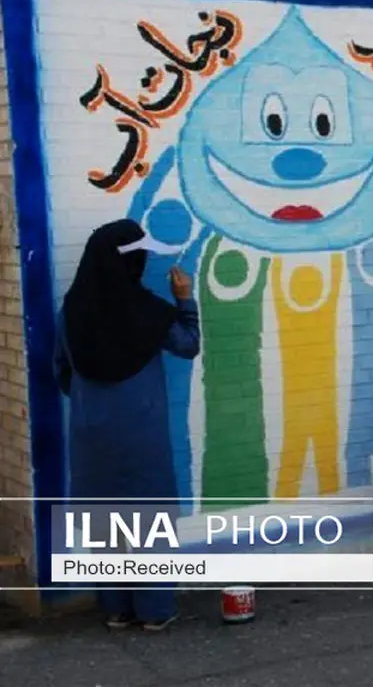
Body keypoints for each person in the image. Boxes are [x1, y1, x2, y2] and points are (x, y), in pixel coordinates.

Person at [53, 219, 200, 632]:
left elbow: (61, 371)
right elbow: (188, 344)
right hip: (141, 434)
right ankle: (154, 611)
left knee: (103, 520)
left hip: (90, 437)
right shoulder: (146, 310)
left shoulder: (72, 311)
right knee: (149, 523)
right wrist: (184, 299)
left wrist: (92, 403)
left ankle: (117, 608)